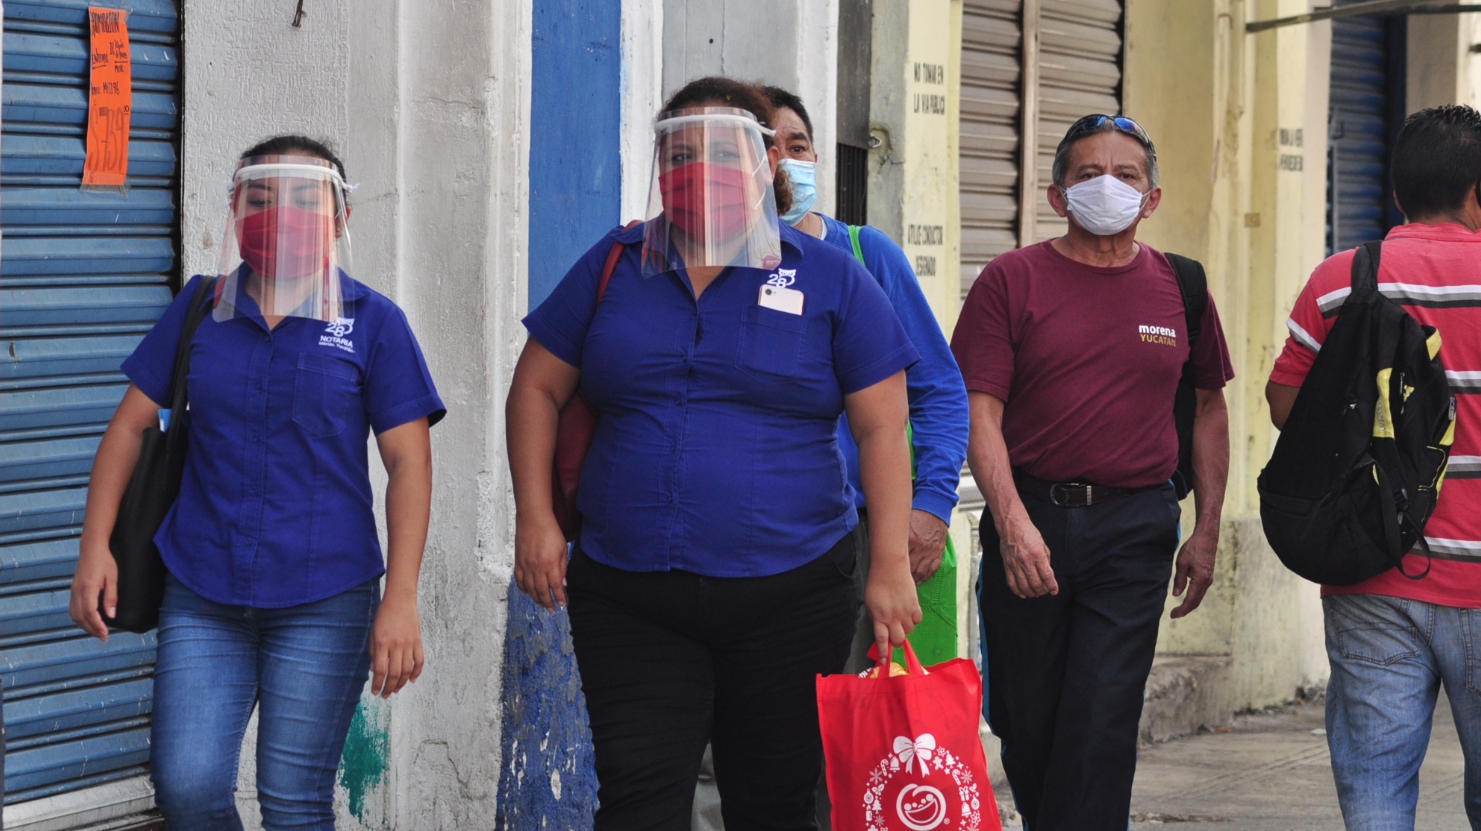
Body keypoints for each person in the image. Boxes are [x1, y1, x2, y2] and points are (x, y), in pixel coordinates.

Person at [508, 77, 922, 830]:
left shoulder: (831, 278)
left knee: (772, 802)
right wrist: (535, 519)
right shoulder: (616, 265)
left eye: (723, 152)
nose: (700, 169)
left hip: (792, 595)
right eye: (681, 151)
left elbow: (883, 429)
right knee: (637, 798)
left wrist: (889, 565)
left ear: (767, 164)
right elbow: (535, 389)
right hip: (631, 592)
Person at [69, 136, 446, 831]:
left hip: (326, 598)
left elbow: (409, 463)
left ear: (341, 216)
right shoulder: (198, 310)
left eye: (306, 199)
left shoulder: (374, 325)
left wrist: (402, 598)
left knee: (294, 799)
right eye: (262, 199)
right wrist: (96, 547)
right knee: (186, 789)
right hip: (202, 589)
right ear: (236, 211)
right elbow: (128, 429)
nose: (282, 215)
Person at [950, 114, 1232, 830]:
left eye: (1127, 174)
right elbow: (977, 413)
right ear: (1056, 194)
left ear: (1153, 196)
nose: (1108, 185)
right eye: (1087, 173)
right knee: (1029, 718)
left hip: (1133, 526)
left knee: (1101, 720)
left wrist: (1205, 532)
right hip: (1031, 517)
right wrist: (1011, 523)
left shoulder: (1182, 288)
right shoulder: (1011, 281)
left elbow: (1207, 409)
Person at [1266, 104, 1481, 829]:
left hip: (1371, 571)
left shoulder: (1342, 279)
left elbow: (1284, 405)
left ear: (1397, 194)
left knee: (1376, 790)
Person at [762, 84, 969, 667]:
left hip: (860, 533)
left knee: (855, 723)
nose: (786, 162)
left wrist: (928, 507)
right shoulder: (708, 264)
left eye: (798, 145)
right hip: (752, 536)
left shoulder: (866, 255)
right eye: (768, 148)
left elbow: (941, 391)